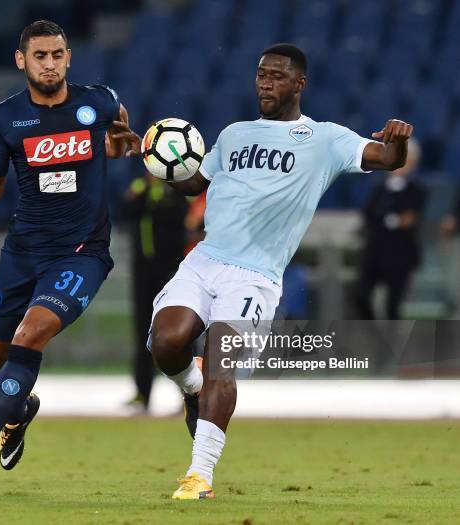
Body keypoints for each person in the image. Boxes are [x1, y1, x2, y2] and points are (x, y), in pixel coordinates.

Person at [119, 43, 413, 499]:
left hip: (254, 276)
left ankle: (200, 476)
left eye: (276, 75)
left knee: (222, 363)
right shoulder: (235, 134)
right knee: (166, 342)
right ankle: (192, 389)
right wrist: (152, 152)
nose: (265, 82)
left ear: (300, 83)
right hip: (205, 258)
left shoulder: (326, 139)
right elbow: (195, 180)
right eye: (260, 74)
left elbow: (387, 159)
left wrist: (398, 139)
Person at [0, 20, 140, 483]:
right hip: (23, 250)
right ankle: (18, 411)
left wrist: (117, 146)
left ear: (69, 57)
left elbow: (117, 139)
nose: (49, 64)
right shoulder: (6, 118)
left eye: (57, 55)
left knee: (29, 336)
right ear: (21, 60)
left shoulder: (101, 101)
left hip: (81, 252)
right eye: (40, 56)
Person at [123, 174, 188, 413]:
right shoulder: (139, 187)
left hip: (171, 271)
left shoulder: (177, 190)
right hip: (143, 271)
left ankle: (189, 394)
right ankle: (142, 395)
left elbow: (179, 220)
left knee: (178, 333)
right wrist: (147, 195)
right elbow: (127, 211)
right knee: (142, 333)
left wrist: (156, 198)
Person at [356, 138, 426, 319]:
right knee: (361, 297)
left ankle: (389, 344)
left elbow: (411, 219)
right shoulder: (378, 187)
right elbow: (369, 215)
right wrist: (394, 219)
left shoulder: (417, 190)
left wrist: (387, 219)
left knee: (393, 306)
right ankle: (373, 337)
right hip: (375, 251)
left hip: (401, 255)